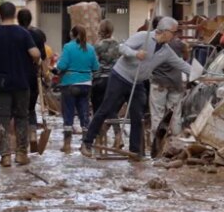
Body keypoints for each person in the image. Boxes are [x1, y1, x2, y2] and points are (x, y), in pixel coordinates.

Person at [81, 17, 192, 158]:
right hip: (120, 77)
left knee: (137, 115)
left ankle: (135, 151)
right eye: (173, 32)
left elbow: (180, 64)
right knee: (106, 108)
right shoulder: (143, 37)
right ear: (164, 31)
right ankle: (87, 142)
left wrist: (200, 73)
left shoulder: (166, 51)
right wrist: (135, 53)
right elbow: (122, 48)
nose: (175, 36)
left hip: (138, 82)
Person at [0, 3, 41, 167]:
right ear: (14, 14)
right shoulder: (23, 33)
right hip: (21, 82)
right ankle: (21, 154)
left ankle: (5, 156)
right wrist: (35, 62)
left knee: (2, 118)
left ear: (0, 14)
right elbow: (35, 53)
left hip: (2, 83)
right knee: (22, 117)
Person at [148, 17, 189, 156]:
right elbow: (185, 59)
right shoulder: (180, 44)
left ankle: (157, 148)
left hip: (159, 82)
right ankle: (175, 147)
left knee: (157, 115)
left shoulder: (155, 44)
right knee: (175, 115)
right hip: (176, 83)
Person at [56, 26, 100, 153]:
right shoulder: (90, 48)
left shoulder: (68, 47)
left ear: (72, 34)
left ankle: (67, 145)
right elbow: (95, 67)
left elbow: (62, 65)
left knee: (68, 114)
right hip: (86, 84)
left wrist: (59, 67)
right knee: (84, 114)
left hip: (69, 83)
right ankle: (85, 145)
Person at [16, 9, 47, 153]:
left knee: (18, 110)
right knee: (31, 108)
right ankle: (33, 134)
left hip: (16, 75)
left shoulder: (14, 33)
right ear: (31, 19)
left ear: (18, 19)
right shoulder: (38, 34)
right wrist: (44, 73)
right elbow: (43, 57)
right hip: (33, 75)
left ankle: (19, 142)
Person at [92, 19, 124, 149]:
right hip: (115, 79)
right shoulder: (119, 45)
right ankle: (118, 135)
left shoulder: (97, 46)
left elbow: (94, 64)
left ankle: (99, 139)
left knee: (98, 110)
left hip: (100, 80)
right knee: (111, 108)